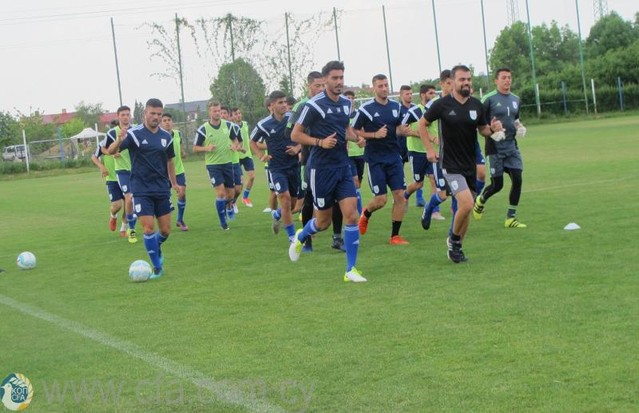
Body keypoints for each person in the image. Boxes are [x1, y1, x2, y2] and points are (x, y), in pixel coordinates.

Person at [289, 61, 367, 282]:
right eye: (335, 78)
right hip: (321, 170)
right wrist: (320, 142)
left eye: (341, 77)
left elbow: (345, 128)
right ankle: (301, 235)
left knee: (351, 215)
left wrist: (356, 137)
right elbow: (295, 135)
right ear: (324, 80)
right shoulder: (313, 105)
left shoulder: (346, 104)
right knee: (323, 223)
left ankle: (350, 269)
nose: (339, 82)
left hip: (342, 166)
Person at [418, 65, 504, 263]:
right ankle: (453, 240)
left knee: (466, 210)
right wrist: (429, 149)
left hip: (469, 163)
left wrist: (493, 129)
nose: (466, 83)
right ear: (453, 82)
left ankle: (457, 248)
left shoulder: (476, 105)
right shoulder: (441, 105)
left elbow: (483, 129)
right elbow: (422, 124)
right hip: (450, 164)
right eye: (462, 79)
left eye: (468, 79)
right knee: (466, 203)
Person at [106, 98, 183, 278]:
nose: (156, 117)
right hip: (141, 189)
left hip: (161, 188)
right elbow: (110, 151)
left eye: (159, 114)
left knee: (165, 231)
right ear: (145, 114)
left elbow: (170, 161)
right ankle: (157, 267)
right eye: (152, 113)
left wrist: (174, 183)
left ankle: (156, 247)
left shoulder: (166, 137)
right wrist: (119, 140)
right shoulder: (134, 134)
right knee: (148, 229)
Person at [354, 74, 409, 245]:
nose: (384, 88)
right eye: (380, 86)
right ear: (374, 88)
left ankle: (395, 236)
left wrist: (402, 131)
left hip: (394, 157)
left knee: (400, 196)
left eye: (386, 85)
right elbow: (354, 130)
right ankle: (366, 213)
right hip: (375, 159)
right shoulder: (366, 109)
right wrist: (374, 135)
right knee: (381, 200)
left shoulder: (396, 106)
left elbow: (397, 129)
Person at [473, 67, 527, 228]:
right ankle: (480, 200)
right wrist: (491, 130)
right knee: (497, 185)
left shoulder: (516, 99)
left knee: (517, 179)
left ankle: (511, 218)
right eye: (504, 77)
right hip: (494, 148)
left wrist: (519, 126)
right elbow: (479, 124)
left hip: (511, 146)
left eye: (509, 77)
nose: (507, 80)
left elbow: (515, 119)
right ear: (496, 80)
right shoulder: (488, 99)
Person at [250, 91, 303, 242]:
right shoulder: (264, 124)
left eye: (285, 102)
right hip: (277, 168)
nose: (284, 105)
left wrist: (297, 148)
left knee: (293, 205)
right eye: (280, 102)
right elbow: (252, 141)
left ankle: (277, 214)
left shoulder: (293, 118)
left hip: (294, 166)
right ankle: (292, 237)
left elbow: (305, 135)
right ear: (272, 105)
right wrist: (261, 156)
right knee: (284, 199)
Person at [286, 71, 325, 252]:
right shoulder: (302, 105)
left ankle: (338, 237)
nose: (321, 89)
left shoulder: (328, 102)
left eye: (323, 85)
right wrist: (301, 146)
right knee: (308, 198)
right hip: (309, 158)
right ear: (309, 85)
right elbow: (289, 132)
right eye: (317, 85)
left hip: (330, 158)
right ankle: (307, 240)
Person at [193, 100, 242, 230]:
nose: (218, 113)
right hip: (213, 166)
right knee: (220, 193)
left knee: (230, 194)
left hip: (228, 164)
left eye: (219, 111)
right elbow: (195, 148)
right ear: (209, 112)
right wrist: (206, 148)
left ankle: (227, 208)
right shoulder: (203, 129)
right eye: (215, 111)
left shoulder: (228, 125)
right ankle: (223, 222)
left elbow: (236, 141)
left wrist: (235, 146)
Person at [402, 84, 445, 219]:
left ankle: (434, 211)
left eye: (434, 93)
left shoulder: (436, 109)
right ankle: (405, 195)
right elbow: (403, 130)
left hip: (432, 151)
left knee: (433, 179)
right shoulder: (414, 111)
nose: (433, 96)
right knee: (418, 183)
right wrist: (429, 137)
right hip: (416, 151)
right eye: (430, 93)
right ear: (422, 95)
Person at [104, 105, 138, 243]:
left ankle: (128, 228)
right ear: (118, 117)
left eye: (127, 114)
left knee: (135, 201)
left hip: (136, 170)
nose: (125, 117)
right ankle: (119, 220)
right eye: (123, 115)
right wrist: (114, 149)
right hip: (122, 171)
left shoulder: (136, 130)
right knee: (127, 199)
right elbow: (104, 149)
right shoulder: (112, 133)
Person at [90, 133, 126, 235]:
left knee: (129, 205)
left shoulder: (128, 140)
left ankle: (123, 229)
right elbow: (94, 156)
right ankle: (113, 215)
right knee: (117, 206)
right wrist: (101, 166)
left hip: (126, 176)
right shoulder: (104, 143)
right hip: (112, 179)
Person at [161, 113, 188, 231]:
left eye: (169, 120)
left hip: (178, 170)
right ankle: (163, 222)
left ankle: (180, 220)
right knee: (164, 197)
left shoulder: (178, 134)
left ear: (172, 122)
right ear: (161, 123)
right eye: (164, 120)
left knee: (182, 193)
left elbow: (180, 145)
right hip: (163, 172)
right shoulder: (159, 136)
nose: (167, 122)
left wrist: (183, 152)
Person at [344, 90, 365, 215]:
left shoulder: (358, 115)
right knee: (355, 180)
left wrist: (363, 138)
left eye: (352, 98)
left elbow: (363, 131)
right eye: (348, 98)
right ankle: (359, 212)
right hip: (348, 155)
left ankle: (354, 207)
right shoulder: (342, 114)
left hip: (360, 153)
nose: (350, 100)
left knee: (358, 183)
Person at [232, 107, 255, 208]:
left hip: (247, 155)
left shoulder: (245, 124)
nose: (238, 115)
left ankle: (245, 197)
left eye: (239, 113)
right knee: (239, 183)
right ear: (232, 116)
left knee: (252, 177)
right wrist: (239, 148)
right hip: (236, 156)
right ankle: (233, 202)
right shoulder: (231, 127)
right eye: (236, 114)